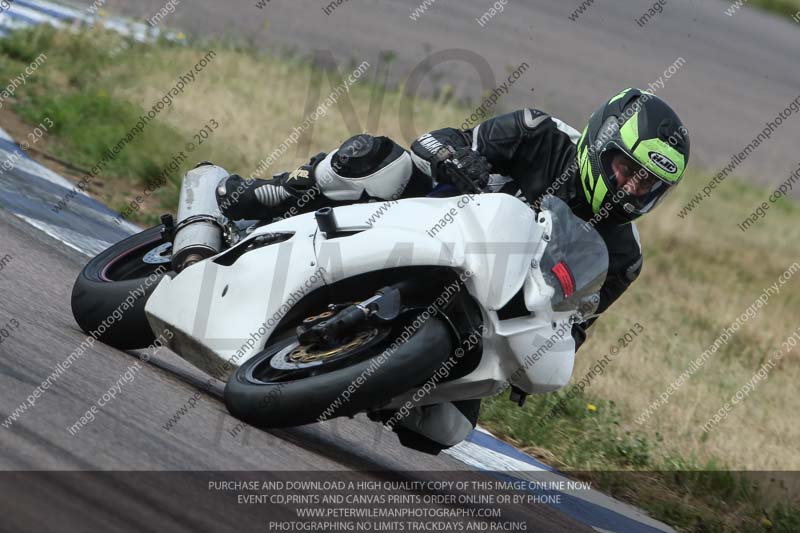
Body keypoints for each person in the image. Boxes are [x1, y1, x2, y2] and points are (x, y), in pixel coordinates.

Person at [214, 87, 690, 453]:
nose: (631, 188)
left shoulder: (624, 260)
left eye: (647, 184)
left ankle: (373, 376)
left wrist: (540, 350)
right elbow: (436, 139)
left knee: (446, 430)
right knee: (378, 160)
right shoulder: (538, 132)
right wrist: (454, 157)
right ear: (603, 142)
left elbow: (577, 324)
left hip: (482, 307)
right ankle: (272, 194)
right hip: (427, 221)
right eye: (628, 169)